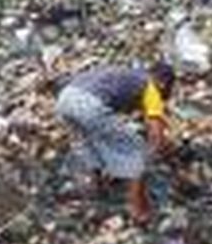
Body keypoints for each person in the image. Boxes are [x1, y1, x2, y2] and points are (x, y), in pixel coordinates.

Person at [55, 62, 174, 223]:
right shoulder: (151, 87)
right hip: (87, 104)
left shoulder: (128, 76)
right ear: (163, 83)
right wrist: (159, 151)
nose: (167, 95)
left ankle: (95, 193)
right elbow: (156, 134)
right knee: (137, 150)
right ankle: (138, 210)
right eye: (169, 89)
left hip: (65, 99)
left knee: (92, 144)